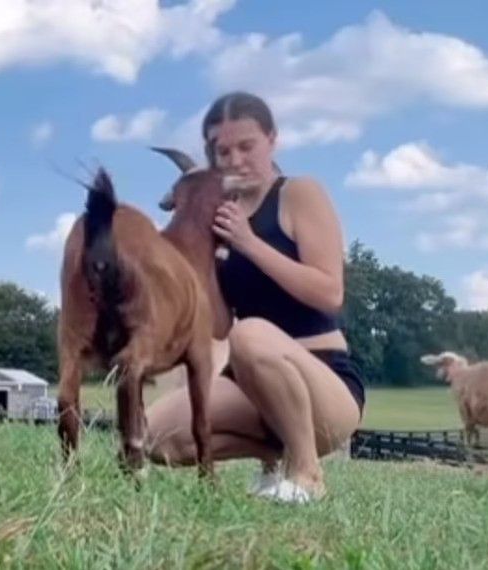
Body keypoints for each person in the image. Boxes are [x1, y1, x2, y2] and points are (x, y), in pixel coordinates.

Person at [146, 92, 365, 503]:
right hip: (251, 385)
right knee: (159, 436)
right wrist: (197, 258)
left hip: (325, 383)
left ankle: (307, 475)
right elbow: (218, 327)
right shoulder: (223, 218)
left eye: (246, 146)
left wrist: (248, 243)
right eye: (221, 150)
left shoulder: (299, 193)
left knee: (250, 336)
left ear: (272, 140)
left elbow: (329, 292)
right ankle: (274, 458)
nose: (234, 159)